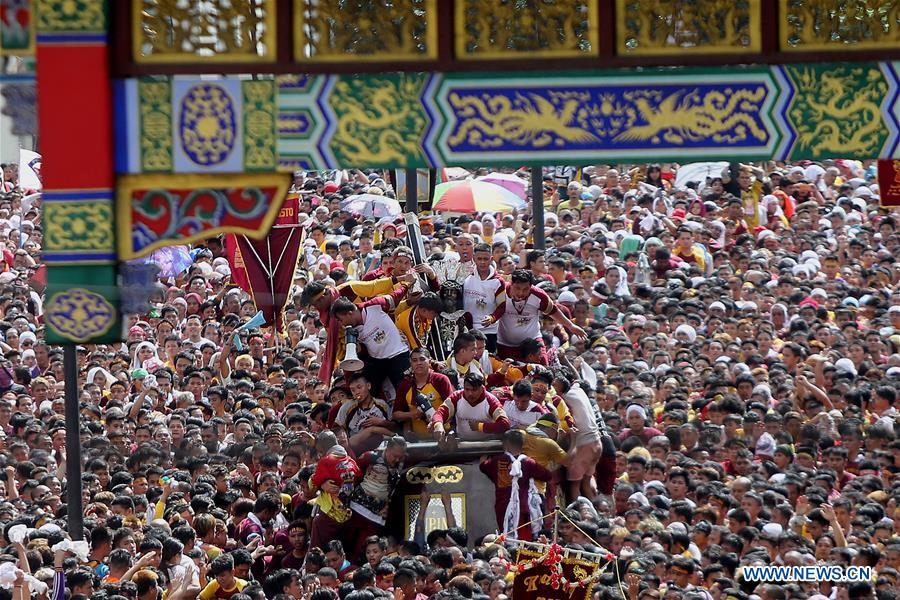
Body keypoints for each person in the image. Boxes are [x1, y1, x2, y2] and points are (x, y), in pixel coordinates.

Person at [480, 429, 552, 541]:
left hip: (503, 507)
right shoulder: (528, 463)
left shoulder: (496, 461)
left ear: (506, 445)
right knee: (525, 539)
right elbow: (547, 475)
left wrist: (482, 459)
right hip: (523, 507)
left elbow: (483, 466)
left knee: (507, 536)